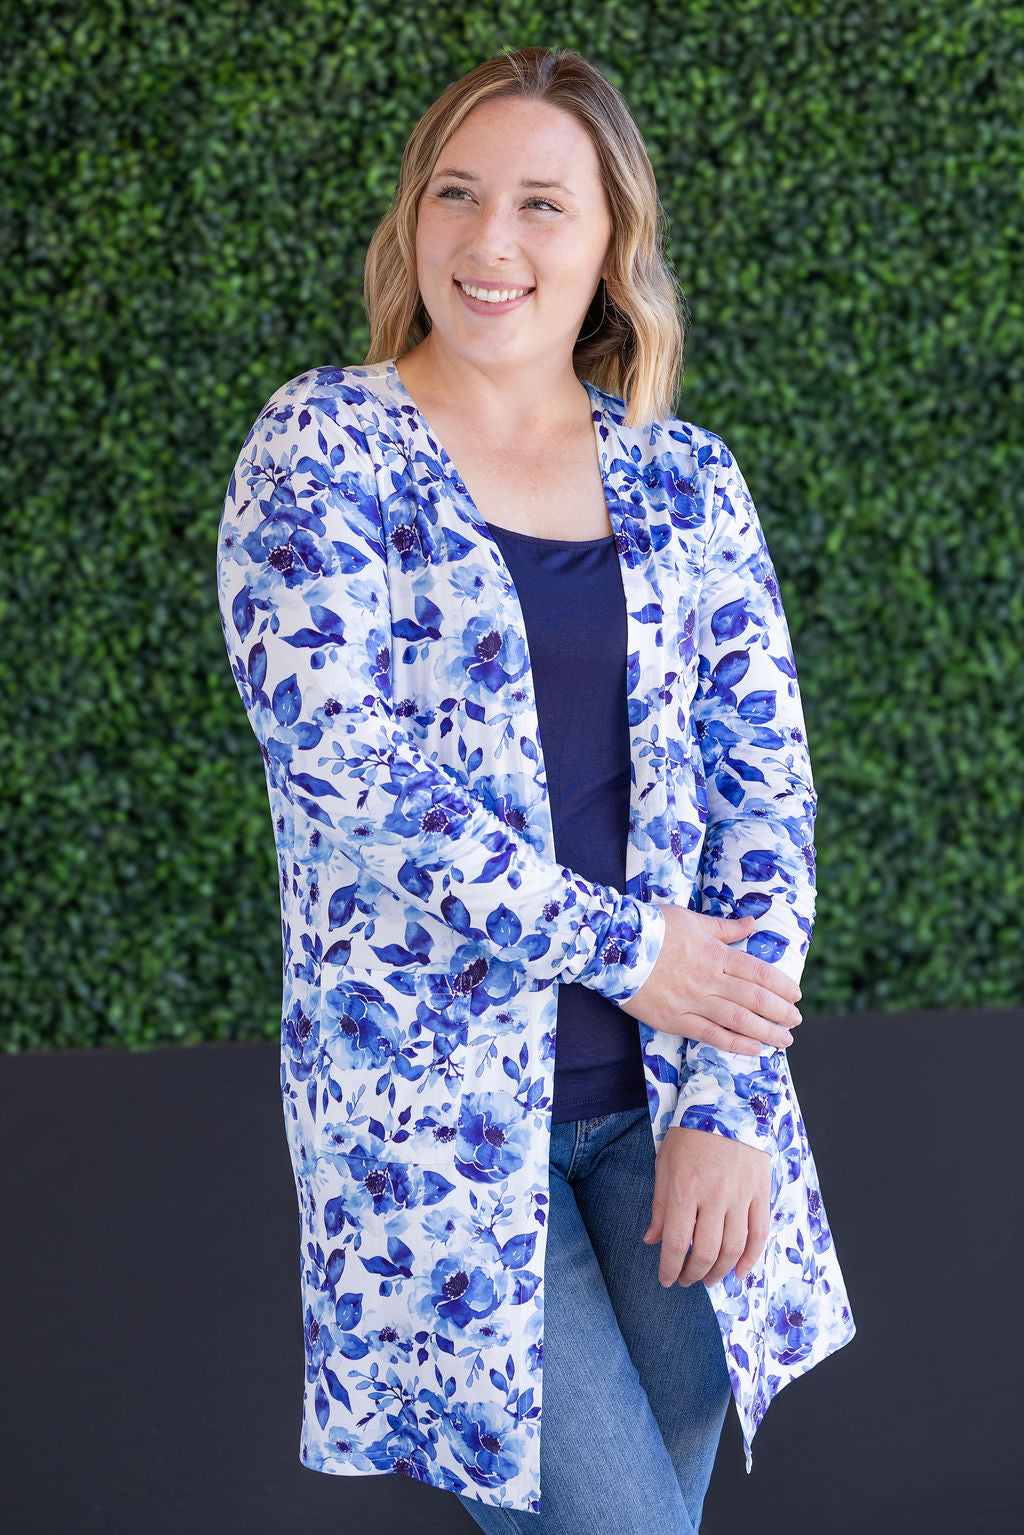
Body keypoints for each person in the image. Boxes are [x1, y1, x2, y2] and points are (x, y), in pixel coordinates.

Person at [215, 45, 855, 1535]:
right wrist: (637, 952)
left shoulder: (689, 480)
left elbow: (765, 793)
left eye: (542, 204)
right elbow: (350, 783)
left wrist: (733, 1099)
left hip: (676, 1107)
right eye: (458, 194)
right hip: (437, 1135)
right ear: (412, 221)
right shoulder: (320, 449)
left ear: (612, 241)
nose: (491, 241)